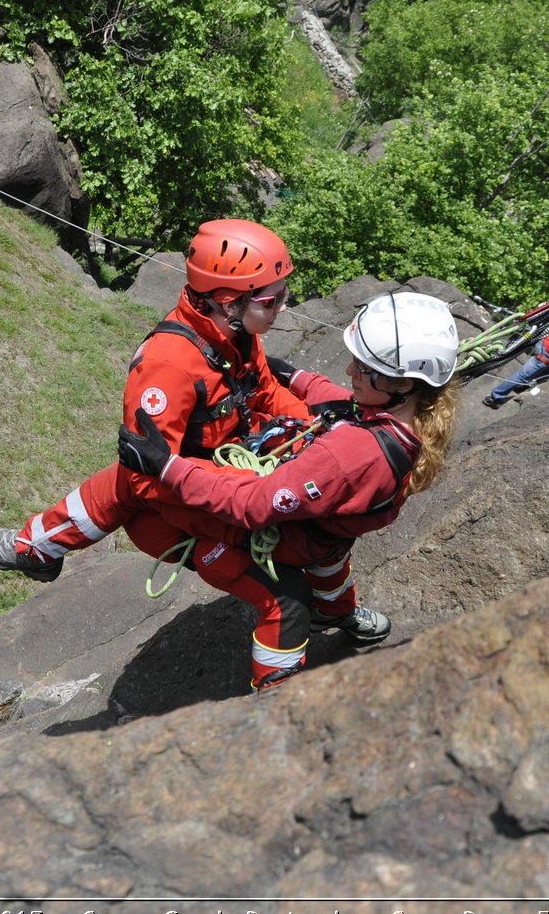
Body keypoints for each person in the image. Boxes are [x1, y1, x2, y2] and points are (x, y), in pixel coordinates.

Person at [115, 291, 461, 689]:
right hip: (330, 536)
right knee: (330, 568)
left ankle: (275, 694)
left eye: (363, 368)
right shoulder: (414, 418)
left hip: (298, 537)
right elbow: (342, 404)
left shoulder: (349, 455)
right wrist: (292, 376)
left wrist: (169, 467)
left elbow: (254, 505)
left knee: (288, 602)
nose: (350, 370)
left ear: (401, 382)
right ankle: (336, 611)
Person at [0, 218, 312, 582]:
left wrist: (319, 430)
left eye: (283, 295)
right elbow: (146, 478)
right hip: (202, 485)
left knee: (120, 486)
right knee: (128, 481)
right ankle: (35, 548)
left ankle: (35, 548)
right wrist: (238, 482)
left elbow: (267, 392)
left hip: (225, 474)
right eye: (273, 301)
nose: (282, 309)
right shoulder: (169, 367)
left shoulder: (237, 337)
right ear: (228, 304)